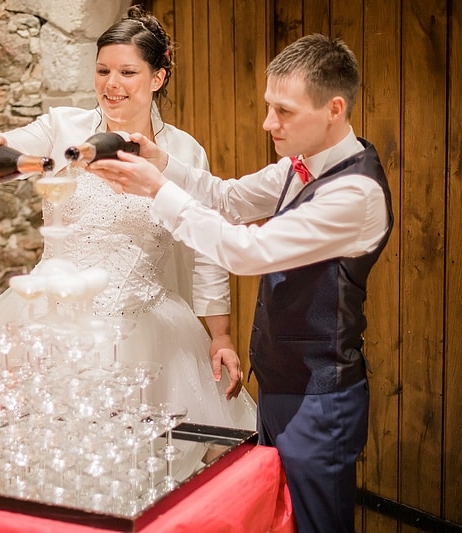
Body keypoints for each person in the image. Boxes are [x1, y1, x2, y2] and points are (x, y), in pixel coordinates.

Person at [88, 34, 393, 533]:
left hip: (320, 395)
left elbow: (245, 251)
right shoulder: (299, 167)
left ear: (334, 108)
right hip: (279, 381)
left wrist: (157, 190)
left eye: (284, 112)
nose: (269, 123)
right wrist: (163, 163)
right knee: (277, 519)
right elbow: (225, 198)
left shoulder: (354, 194)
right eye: (269, 106)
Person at [0, 6, 257, 430]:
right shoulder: (64, 127)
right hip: (49, 321)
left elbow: (206, 247)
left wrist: (221, 335)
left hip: (142, 328)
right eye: (102, 71)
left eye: (127, 73)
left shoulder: (185, 153)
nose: (111, 84)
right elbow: (16, 146)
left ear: (158, 78)